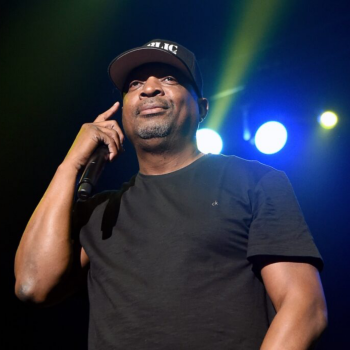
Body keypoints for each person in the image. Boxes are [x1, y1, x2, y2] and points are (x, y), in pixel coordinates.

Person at [15, 39, 327, 350]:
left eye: (169, 78)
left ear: (202, 107)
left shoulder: (253, 181)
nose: (149, 89)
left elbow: (304, 308)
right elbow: (32, 286)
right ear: (121, 113)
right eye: (135, 83)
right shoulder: (101, 213)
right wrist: (70, 164)